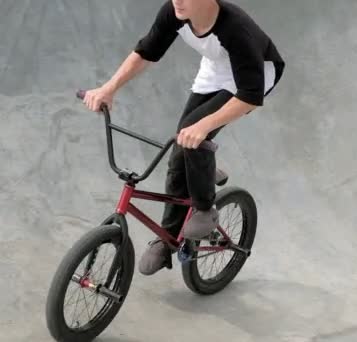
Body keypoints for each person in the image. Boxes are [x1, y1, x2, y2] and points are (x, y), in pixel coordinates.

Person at [82, 0, 285, 275]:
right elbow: (146, 52)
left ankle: (204, 208)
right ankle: (167, 241)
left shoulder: (236, 29)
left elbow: (250, 98)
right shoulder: (175, 12)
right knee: (181, 152)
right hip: (215, 70)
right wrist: (109, 88)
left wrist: (204, 127)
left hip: (254, 76)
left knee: (192, 131)